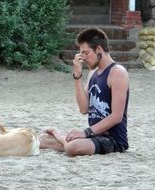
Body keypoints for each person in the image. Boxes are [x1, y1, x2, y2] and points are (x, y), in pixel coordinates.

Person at [39, 27, 129, 156]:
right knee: (42, 140)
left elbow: (117, 116)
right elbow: (84, 109)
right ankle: (63, 139)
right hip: (93, 136)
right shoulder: (93, 73)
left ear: (98, 50)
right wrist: (77, 76)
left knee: (72, 148)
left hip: (112, 140)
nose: (83, 58)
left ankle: (59, 136)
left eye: (86, 53)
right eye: (81, 53)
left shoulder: (117, 72)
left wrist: (85, 133)